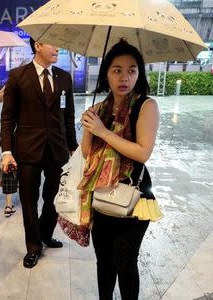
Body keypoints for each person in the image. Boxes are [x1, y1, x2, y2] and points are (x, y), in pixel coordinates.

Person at [79, 39, 163, 299]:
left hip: (135, 195)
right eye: (117, 70)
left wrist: (103, 132)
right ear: (106, 73)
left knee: (125, 264)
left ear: (140, 73)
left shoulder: (146, 106)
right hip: (102, 194)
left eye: (132, 69)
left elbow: (142, 152)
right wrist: (88, 128)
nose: (124, 77)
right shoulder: (100, 109)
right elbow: (86, 154)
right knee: (104, 262)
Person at [1, 38, 78, 268]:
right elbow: (7, 118)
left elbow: (68, 117)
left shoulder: (64, 77)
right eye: (53, 43)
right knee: (28, 199)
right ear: (38, 45)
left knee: (54, 198)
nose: (58, 47)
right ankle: (33, 246)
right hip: (26, 149)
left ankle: (45, 234)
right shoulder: (18, 76)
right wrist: (7, 151)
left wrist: (73, 148)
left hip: (58, 149)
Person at [0, 86, 16, 217]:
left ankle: (9, 204)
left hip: (12, 133)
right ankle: (8, 204)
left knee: (11, 166)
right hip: (12, 133)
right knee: (10, 165)